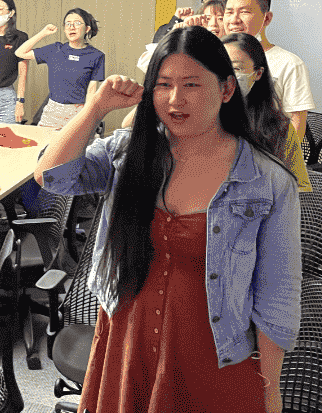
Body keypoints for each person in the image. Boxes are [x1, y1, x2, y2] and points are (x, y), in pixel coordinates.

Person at [36, 26, 301, 413]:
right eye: (163, 84)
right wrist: (95, 108)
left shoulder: (268, 182)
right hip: (127, 344)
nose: (176, 99)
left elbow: (277, 297)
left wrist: (270, 389)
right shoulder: (128, 154)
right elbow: (52, 177)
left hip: (215, 357)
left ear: (227, 89)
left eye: (192, 84)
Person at [224, 0, 315, 140]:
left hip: (265, 150)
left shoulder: (289, 64)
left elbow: (297, 124)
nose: (234, 20)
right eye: (229, 12)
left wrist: (282, 155)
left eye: (244, 12)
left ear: (266, 19)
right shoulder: (215, 57)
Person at [223, 32, 311, 192]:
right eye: (221, 67)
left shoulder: (280, 129)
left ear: (257, 73)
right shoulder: (198, 122)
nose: (227, 76)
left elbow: (299, 188)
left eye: (236, 68)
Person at [15, 7, 105, 129]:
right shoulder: (55, 50)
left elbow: (91, 91)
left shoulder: (96, 56)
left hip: (78, 112)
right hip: (52, 111)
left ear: (87, 29)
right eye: (68, 24)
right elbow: (20, 53)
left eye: (77, 23)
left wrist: (88, 118)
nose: (71, 27)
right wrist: (43, 33)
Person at [152, 0, 228, 44]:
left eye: (219, 1)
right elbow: (158, 45)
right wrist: (178, 20)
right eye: (207, 2)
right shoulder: (193, 24)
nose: (213, 6)